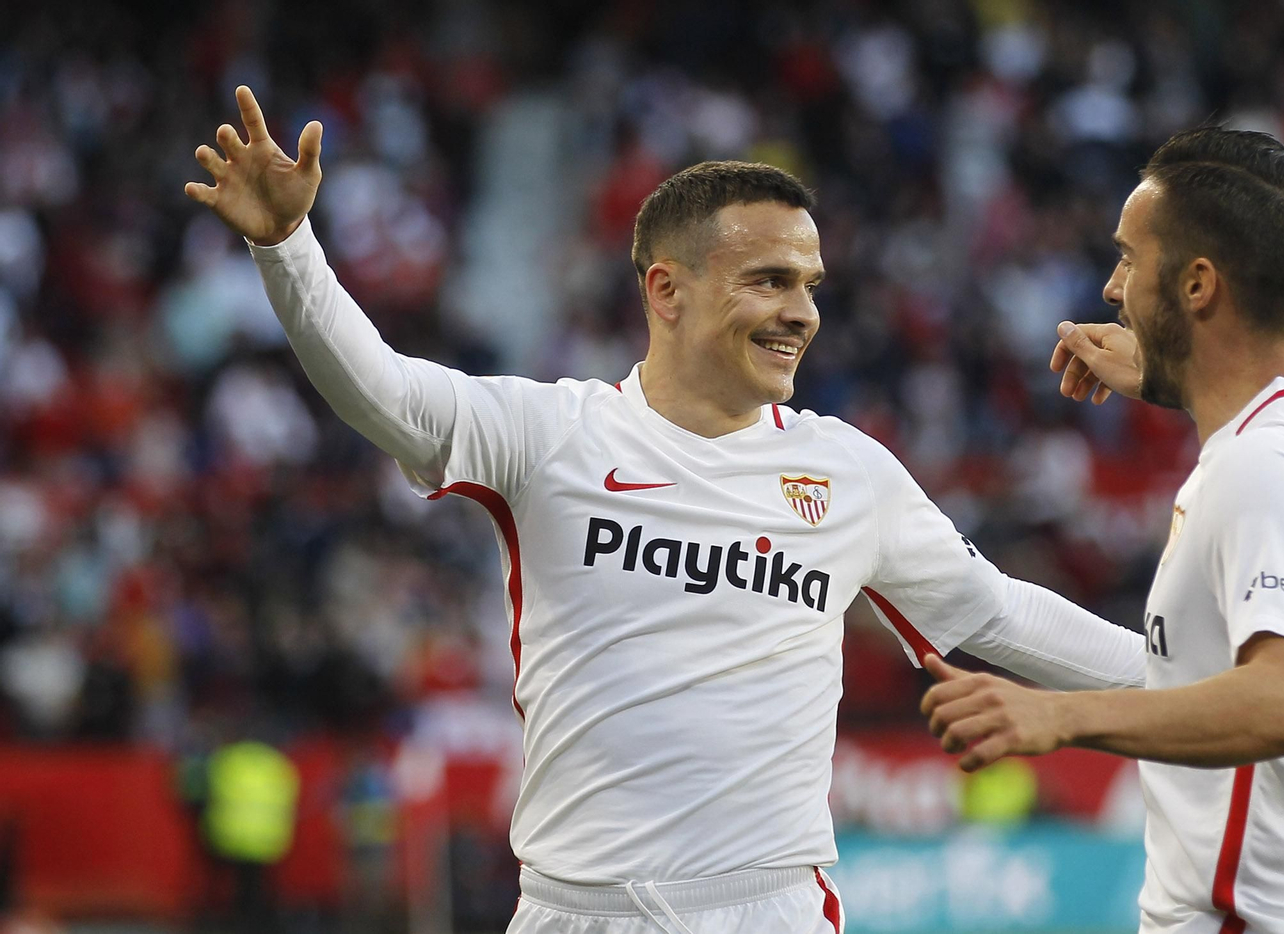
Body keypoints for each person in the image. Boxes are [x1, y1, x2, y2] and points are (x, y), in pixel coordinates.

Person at [185, 86, 1146, 934]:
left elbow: (1000, 614)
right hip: (572, 910)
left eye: (810, 285)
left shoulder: (849, 474)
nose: (803, 311)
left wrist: (1196, 687)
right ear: (667, 290)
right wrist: (288, 248)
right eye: (769, 280)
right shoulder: (552, 435)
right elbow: (385, 393)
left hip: (766, 907)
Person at [922, 127, 1284, 934]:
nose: (1112, 289)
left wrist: (1059, 718)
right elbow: (1191, 672)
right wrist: (1170, 374)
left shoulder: (1261, 466)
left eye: (1128, 258)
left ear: (1197, 284)